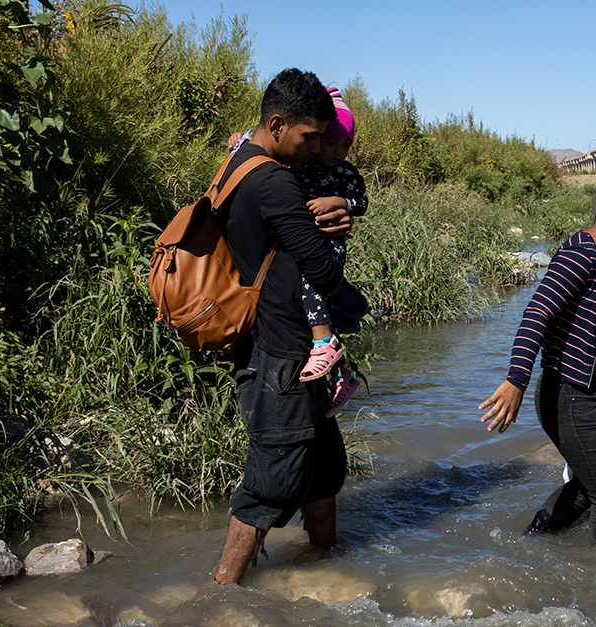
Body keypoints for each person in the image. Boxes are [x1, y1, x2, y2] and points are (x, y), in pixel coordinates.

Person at [478, 152, 596, 545]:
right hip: (575, 398)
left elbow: (594, 341)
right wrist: (516, 380)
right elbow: (537, 312)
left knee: (588, 487)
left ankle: (529, 545)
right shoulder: (581, 254)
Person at [214, 68, 351, 585]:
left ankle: (327, 567)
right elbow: (324, 272)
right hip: (280, 353)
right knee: (270, 483)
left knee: (322, 469)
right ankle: (221, 596)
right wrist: (340, 225)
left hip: (284, 346)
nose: (315, 149)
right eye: (309, 137)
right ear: (277, 125)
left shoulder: (239, 162)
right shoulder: (273, 180)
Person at [228, 87, 369, 417]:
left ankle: (324, 343)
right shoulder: (294, 168)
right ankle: (340, 370)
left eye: (344, 145)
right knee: (318, 297)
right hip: (278, 314)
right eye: (324, 141)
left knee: (312, 282)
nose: (333, 151)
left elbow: (360, 201)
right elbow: (268, 140)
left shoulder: (343, 173)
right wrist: (239, 141)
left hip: (326, 246)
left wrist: (340, 203)